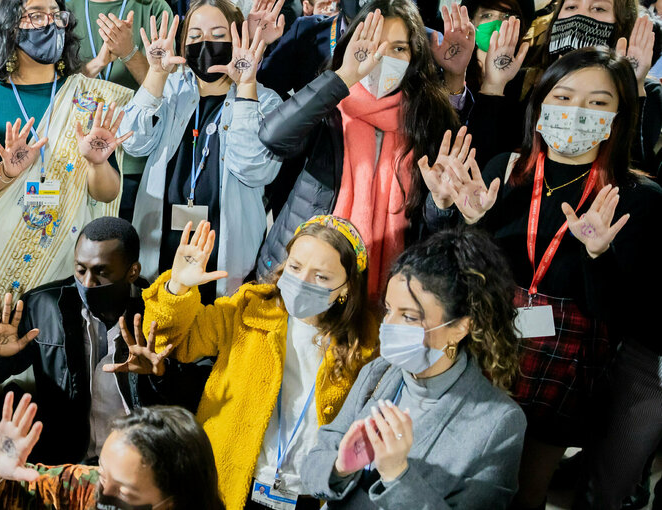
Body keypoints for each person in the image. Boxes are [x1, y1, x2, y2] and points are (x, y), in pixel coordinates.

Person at [426, 48, 662, 510]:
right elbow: (461, 277)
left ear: (618, 116)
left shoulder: (637, 196)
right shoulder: (503, 172)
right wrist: (465, 221)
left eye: (598, 102)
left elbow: (619, 316)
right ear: (540, 106)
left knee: (524, 487)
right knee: (459, 471)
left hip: (566, 360)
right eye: (564, 95)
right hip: (490, 341)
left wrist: (597, 255)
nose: (577, 112)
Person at [135, 217, 377, 509]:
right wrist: (178, 288)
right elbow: (171, 343)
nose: (301, 282)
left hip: (313, 494)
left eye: (321, 277)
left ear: (347, 287)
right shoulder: (248, 309)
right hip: (232, 485)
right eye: (296, 267)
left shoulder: (368, 345)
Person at [0, 0, 135, 342]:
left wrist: (96, 162)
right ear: (8, 24)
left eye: (56, 14)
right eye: (36, 14)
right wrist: (5, 172)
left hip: (65, 259)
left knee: (56, 359)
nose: (50, 24)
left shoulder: (85, 96)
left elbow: (106, 193)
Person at [301, 227, 526, 509]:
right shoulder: (380, 373)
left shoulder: (499, 422)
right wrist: (338, 469)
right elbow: (313, 465)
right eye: (388, 310)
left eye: (409, 317)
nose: (389, 326)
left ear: (460, 327)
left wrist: (398, 475)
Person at [0, 216, 207, 465]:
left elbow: (197, 395)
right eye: (80, 269)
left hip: (141, 465)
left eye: (101, 272)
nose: (88, 283)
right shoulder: (42, 306)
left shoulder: (157, 312)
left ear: (132, 271)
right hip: (67, 462)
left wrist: (160, 375)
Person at [257, 0, 460, 297]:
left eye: (399, 48)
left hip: (392, 285)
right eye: (375, 44)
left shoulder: (430, 116)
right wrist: (344, 76)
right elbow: (274, 137)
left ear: (414, 55)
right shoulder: (329, 102)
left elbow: (431, 224)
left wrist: (441, 205)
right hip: (305, 273)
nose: (384, 56)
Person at [119, 0, 283, 302]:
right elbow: (133, 142)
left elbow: (255, 169)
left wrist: (246, 86)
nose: (205, 43)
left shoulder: (267, 102)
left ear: (237, 40)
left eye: (218, 35)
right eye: (194, 36)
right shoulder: (170, 90)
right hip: (161, 249)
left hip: (227, 261)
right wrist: (156, 73)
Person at [469, 0, 661, 172]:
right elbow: (482, 163)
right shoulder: (522, 81)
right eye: (571, 7)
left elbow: (635, 172)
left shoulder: (645, 91)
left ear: (621, 22)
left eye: (598, 8)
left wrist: (631, 86)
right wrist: (493, 86)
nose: (581, 15)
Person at [0, 393, 225, 510]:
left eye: (126, 492)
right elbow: (3, 497)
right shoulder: (85, 487)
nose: (103, 495)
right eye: (103, 473)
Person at [66, 0, 172, 221]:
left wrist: (129, 53)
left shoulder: (154, 8)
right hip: (72, 159)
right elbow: (55, 89)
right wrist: (97, 64)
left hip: (134, 162)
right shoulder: (62, 7)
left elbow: (168, 93)